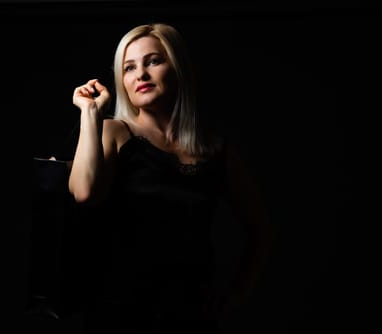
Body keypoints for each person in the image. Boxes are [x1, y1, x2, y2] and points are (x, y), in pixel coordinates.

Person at [67, 22, 272, 333]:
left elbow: (259, 227)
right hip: (120, 314)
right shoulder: (114, 132)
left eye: (153, 61)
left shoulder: (214, 150)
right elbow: (83, 193)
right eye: (129, 68)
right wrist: (90, 113)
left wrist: (237, 291)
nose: (141, 76)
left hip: (192, 316)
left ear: (177, 67)